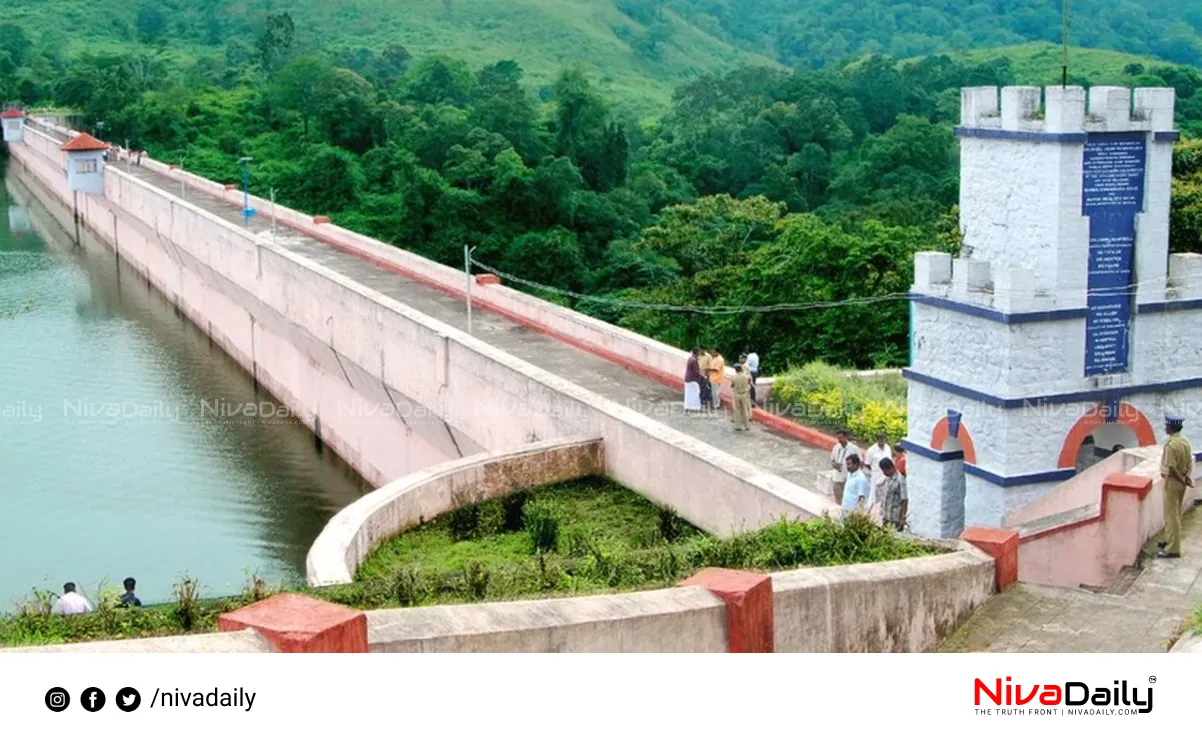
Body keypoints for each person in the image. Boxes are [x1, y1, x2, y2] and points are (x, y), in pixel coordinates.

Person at [1158, 415, 1193, 559]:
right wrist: (1186, 478)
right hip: (1181, 481)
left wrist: (1181, 479)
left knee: (1172, 516)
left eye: (1167, 426)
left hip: (1173, 482)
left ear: (1171, 428)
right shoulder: (1185, 442)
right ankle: (1169, 539)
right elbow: (1189, 463)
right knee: (1175, 513)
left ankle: (1173, 549)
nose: (1165, 428)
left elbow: (1171, 468)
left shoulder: (1171, 445)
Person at [829, 430, 859, 504]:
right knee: (838, 498)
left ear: (846, 437)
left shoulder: (854, 449)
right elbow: (832, 460)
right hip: (837, 477)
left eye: (841, 438)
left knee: (848, 498)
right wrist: (834, 465)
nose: (839, 440)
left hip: (848, 477)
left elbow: (859, 462)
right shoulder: (836, 447)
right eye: (838, 438)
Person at [878, 458, 908, 530]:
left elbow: (904, 500)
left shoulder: (900, 480)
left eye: (885, 471)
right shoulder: (888, 478)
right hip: (886, 516)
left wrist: (902, 518)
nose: (884, 473)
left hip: (895, 518)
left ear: (891, 468)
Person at [864, 432, 893, 499]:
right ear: (877, 440)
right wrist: (875, 470)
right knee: (874, 495)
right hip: (876, 475)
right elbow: (867, 463)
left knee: (886, 494)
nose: (882, 441)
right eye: (880, 439)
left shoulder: (887, 448)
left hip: (887, 475)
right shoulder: (871, 450)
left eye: (883, 439)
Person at [730, 363, 752, 431]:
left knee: (737, 410)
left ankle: (738, 426)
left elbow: (732, 385)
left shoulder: (734, 377)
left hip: (737, 394)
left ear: (735, 370)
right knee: (745, 409)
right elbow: (749, 383)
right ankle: (747, 426)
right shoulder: (746, 376)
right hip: (744, 394)